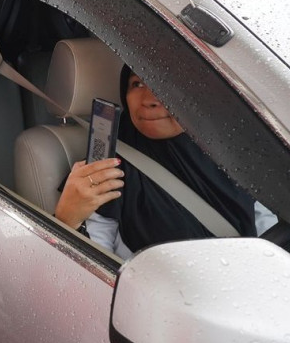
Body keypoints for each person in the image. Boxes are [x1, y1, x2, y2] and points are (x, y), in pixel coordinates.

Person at [54, 65, 276, 259]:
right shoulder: (105, 168)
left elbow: (271, 238)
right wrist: (68, 219)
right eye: (138, 83)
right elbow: (93, 268)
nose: (149, 100)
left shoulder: (234, 155)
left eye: (165, 83)